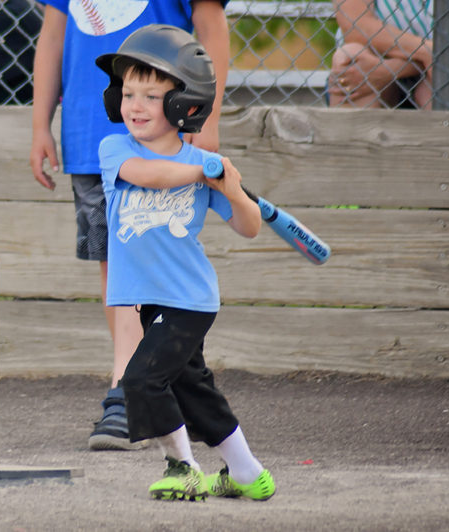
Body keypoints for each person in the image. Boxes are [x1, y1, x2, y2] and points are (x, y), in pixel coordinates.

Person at [29, 0, 230, 451]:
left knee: (160, 263)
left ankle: (135, 390)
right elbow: (53, 37)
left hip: (163, 138)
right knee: (115, 266)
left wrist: (208, 117)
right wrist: (40, 123)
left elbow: (212, 27)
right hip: (90, 133)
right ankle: (135, 385)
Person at [95, 24, 275, 501]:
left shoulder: (203, 165)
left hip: (189, 298)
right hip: (151, 300)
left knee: (142, 381)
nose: (133, 105)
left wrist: (232, 188)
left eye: (150, 97)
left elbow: (249, 226)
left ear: (184, 105)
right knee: (193, 390)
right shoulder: (116, 150)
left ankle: (182, 467)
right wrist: (203, 170)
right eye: (128, 93)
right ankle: (246, 471)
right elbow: (150, 175)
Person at [329, 0, 449, 109]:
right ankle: (352, 151)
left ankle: (447, 153)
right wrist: (428, 53)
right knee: (350, 61)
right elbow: (356, 27)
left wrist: (390, 70)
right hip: (380, 60)